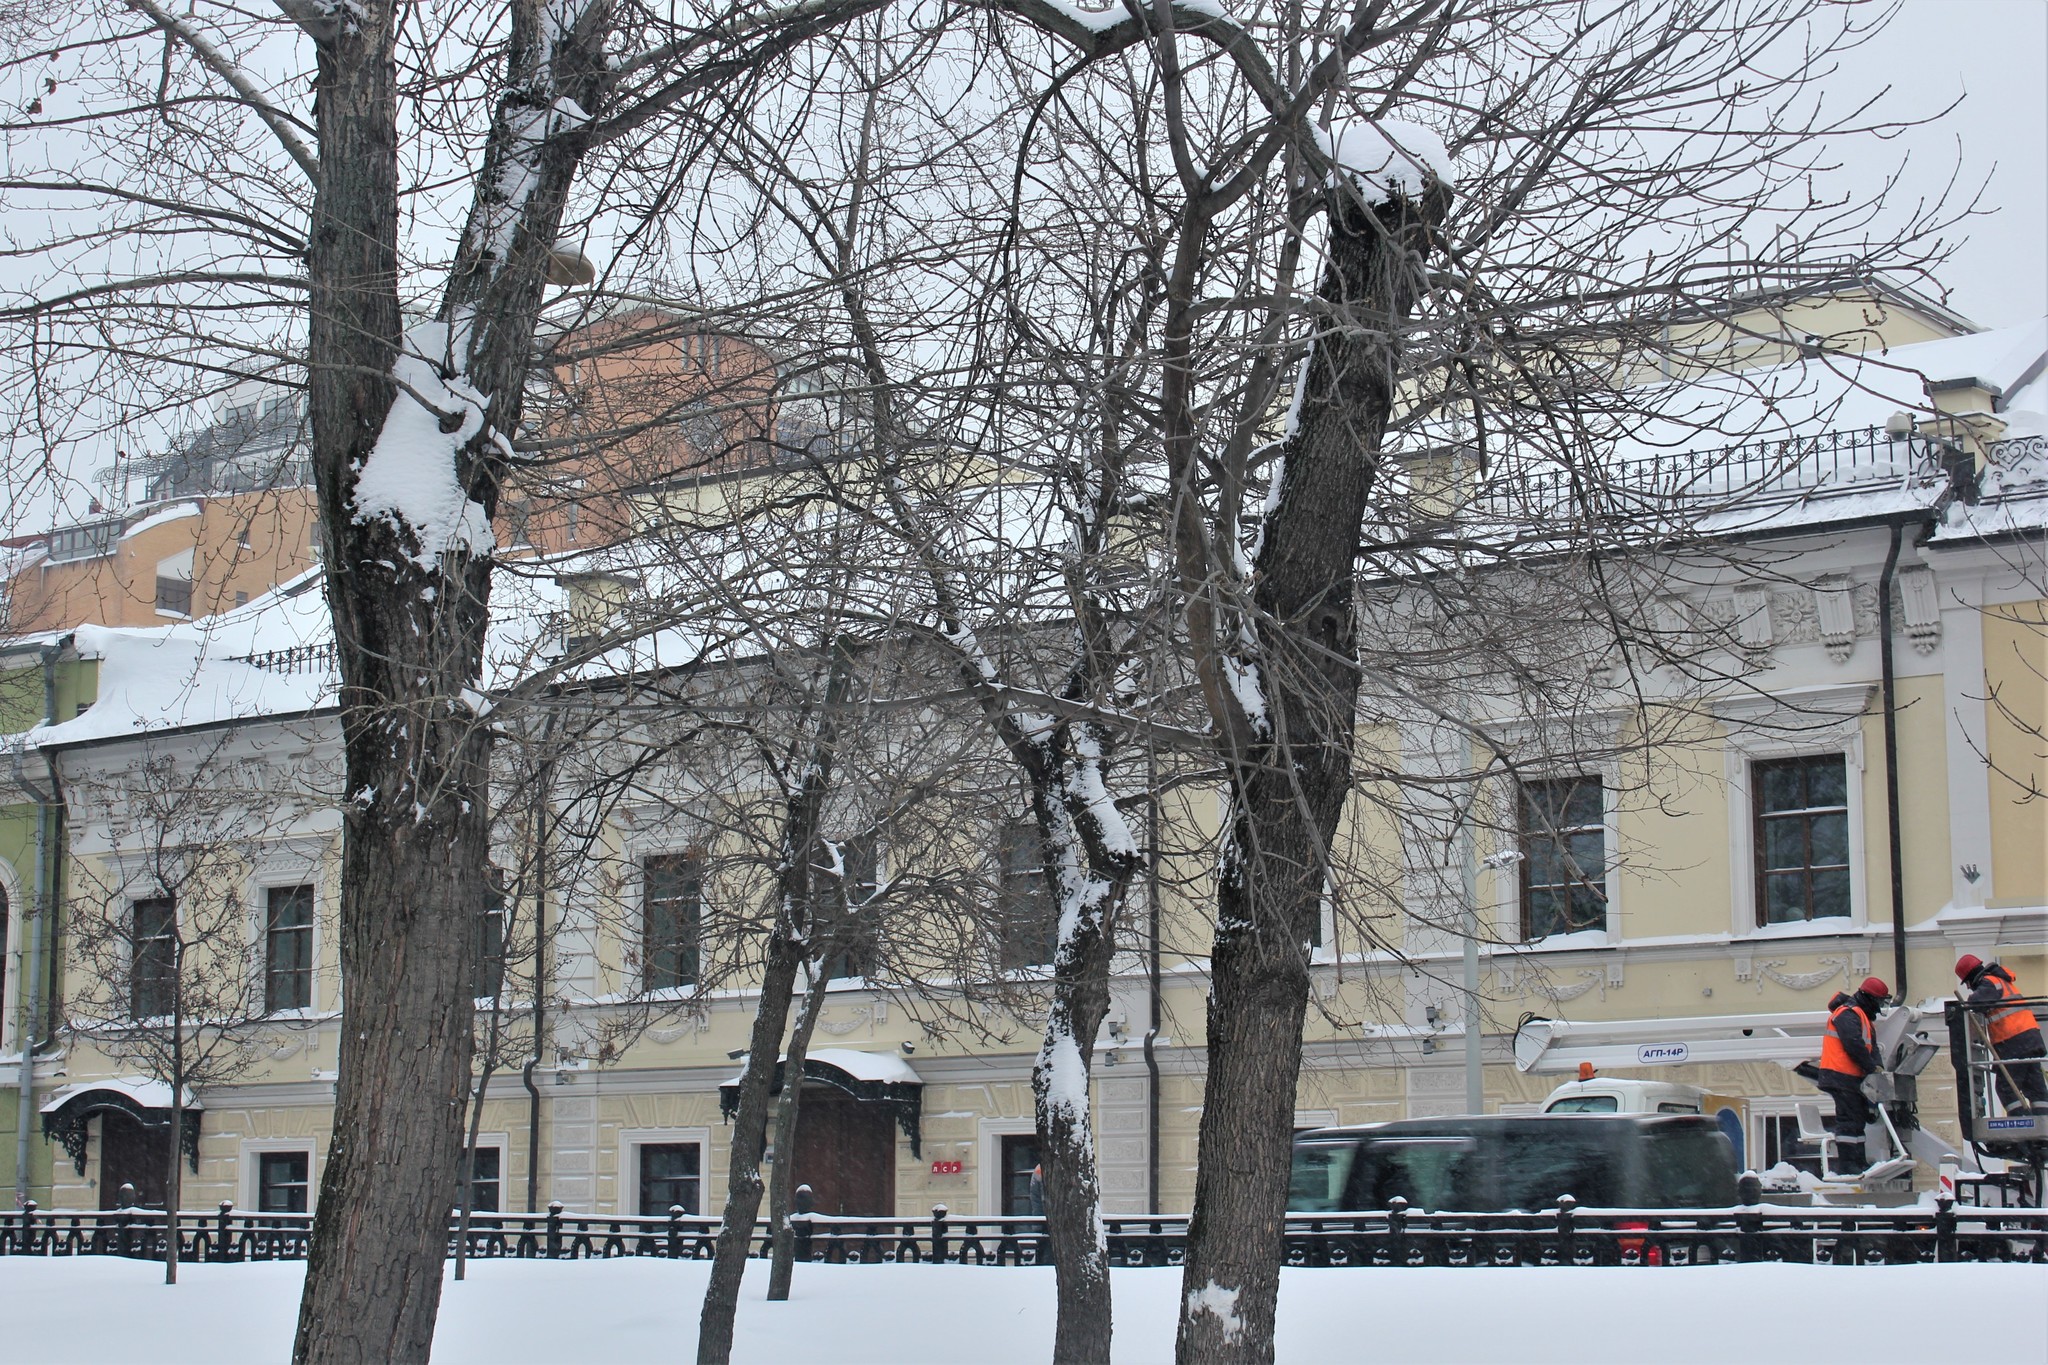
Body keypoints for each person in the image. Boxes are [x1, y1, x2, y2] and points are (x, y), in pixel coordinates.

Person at [1955, 955, 2048, 1115]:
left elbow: (1977, 1002)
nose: (1969, 988)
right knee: (2034, 1087)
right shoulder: (2001, 981)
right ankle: (2042, 1124)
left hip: (2014, 1041)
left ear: (1970, 979)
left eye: (1968, 984)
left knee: (2005, 1088)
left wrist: (1964, 1006)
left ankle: (2022, 1123)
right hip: (2030, 1039)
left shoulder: (1989, 983)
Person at [1815, 976, 1889, 1175]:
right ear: (1870, 998)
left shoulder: (1859, 1015)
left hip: (1849, 1077)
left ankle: (1858, 1162)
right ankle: (1848, 1165)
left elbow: (1871, 1048)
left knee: (1856, 1121)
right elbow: (1853, 1045)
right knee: (1849, 1121)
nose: (1880, 1006)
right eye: (1880, 1001)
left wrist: (1877, 1068)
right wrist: (1871, 1068)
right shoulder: (1848, 1014)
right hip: (1841, 1076)